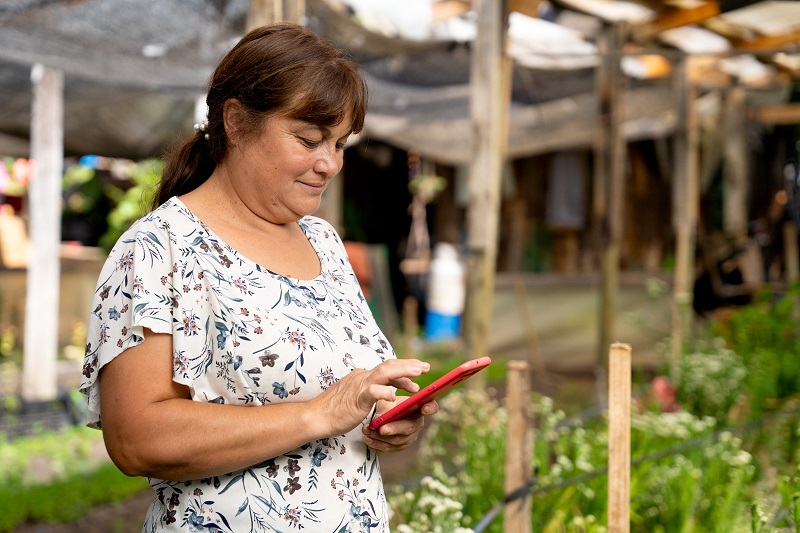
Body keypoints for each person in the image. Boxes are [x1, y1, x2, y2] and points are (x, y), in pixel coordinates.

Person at [80, 22, 438, 532]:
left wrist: (378, 420)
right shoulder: (160, 249)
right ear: (236, 122)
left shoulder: (324, 244)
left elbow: (341, 406)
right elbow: (136, 440)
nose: (329, 164)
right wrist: (318, 414)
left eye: (339, 144)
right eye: (310, 139)